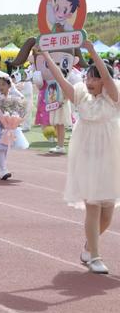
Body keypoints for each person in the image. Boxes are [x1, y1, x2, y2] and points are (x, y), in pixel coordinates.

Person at [41, 41, 120, 274]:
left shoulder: (113, 96)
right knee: (93, 207)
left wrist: (91, 50)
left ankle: (88, 245)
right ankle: (95, 256)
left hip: (111, 158)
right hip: (86, 158)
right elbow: (63, 83)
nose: (90, 82)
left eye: (96, 78)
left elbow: (108, 80)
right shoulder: (80, 95)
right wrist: (45, 54)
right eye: (88, 77)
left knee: (108, 214)